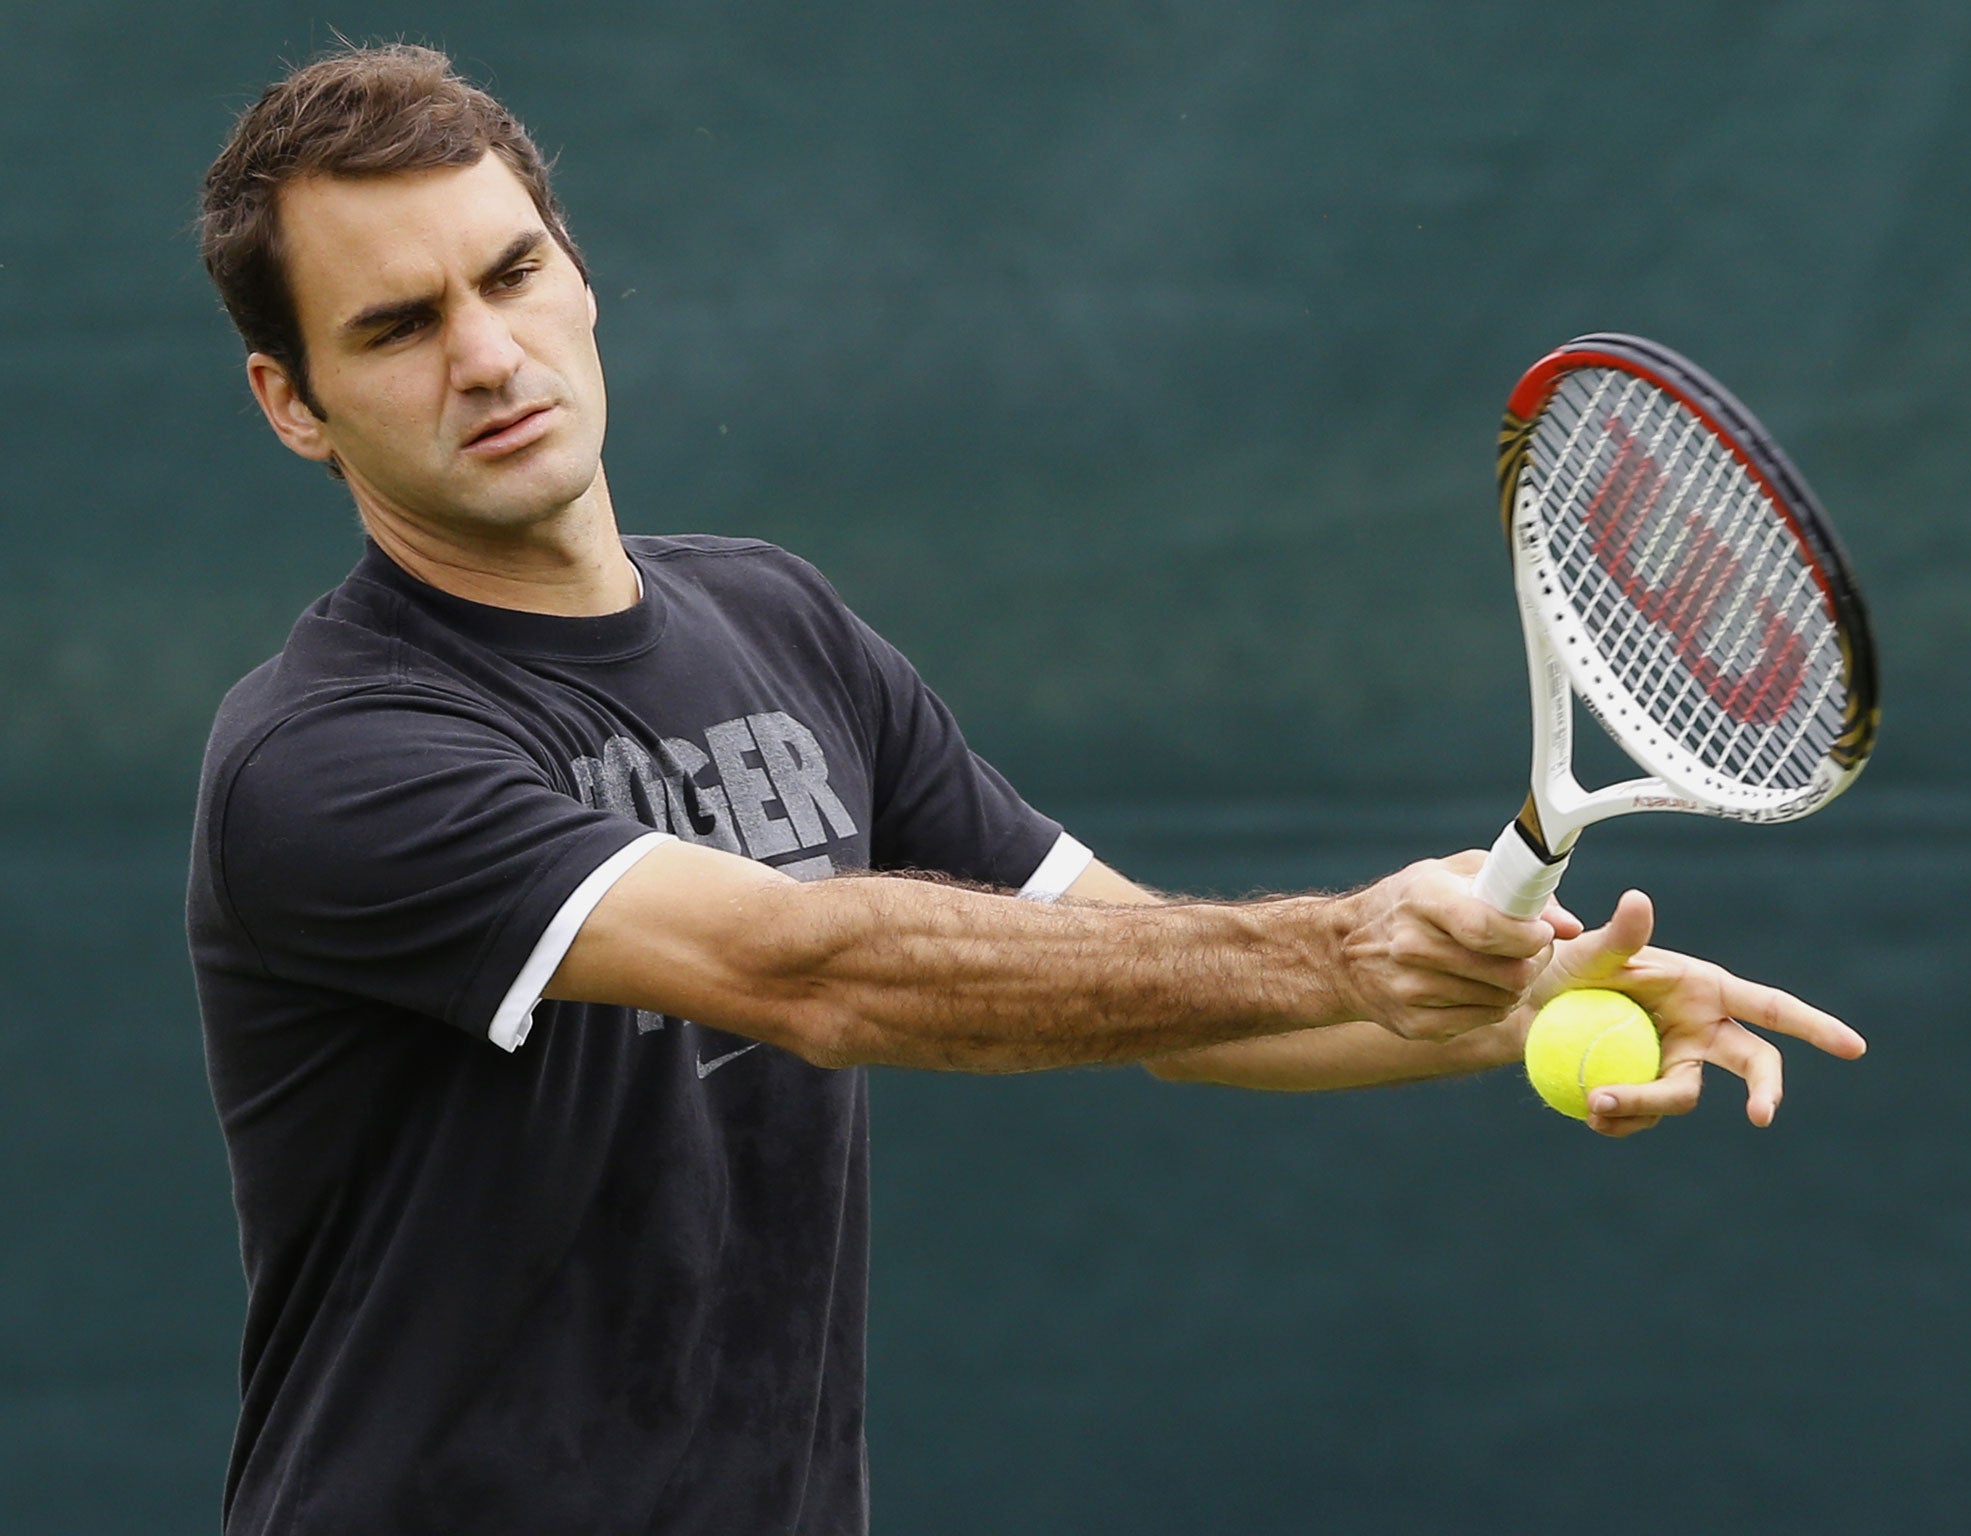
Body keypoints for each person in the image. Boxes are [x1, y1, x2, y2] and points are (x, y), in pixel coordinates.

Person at [187, 43, 1865, 1536]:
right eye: (399, 326)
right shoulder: (325, 758)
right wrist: (1349, 946)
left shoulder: (779, 622)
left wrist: (1502, 999)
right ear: (292, 405)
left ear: (579, 273)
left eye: (512, 272)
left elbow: (1160, 989)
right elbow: (804, 970)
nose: (487, 355)